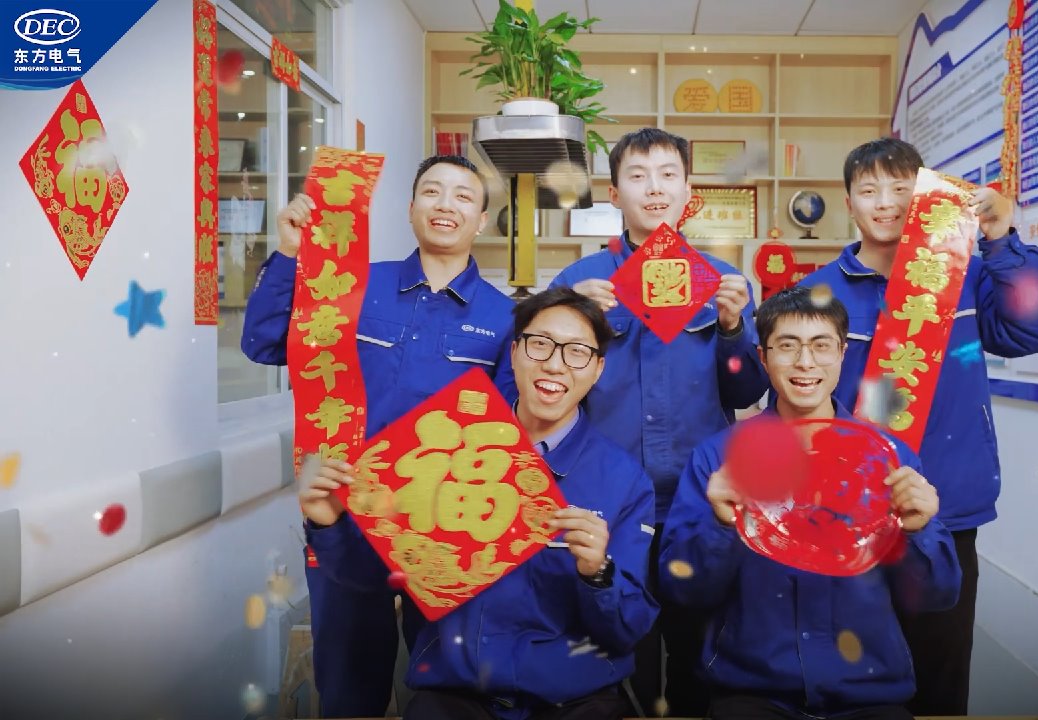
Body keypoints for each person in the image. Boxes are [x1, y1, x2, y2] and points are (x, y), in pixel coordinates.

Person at [798, 137, 1038, 715]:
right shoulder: (818, 292)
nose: (886, 202)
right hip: (846, 511)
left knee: (939, 676)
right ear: (849, 203)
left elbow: (1037, 329)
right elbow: (794, 395)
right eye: (869, 190)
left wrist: (1002, 239)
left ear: (922, 196)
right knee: (845, 672)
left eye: (901, 188)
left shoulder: (965, 275)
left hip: (944, 510)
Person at [299, 287, 659, 720]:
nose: (555, 364)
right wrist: (329, 526)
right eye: (540, 344)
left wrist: (598, 574)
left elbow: (628, 629)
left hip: (577, 700)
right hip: (457, 694)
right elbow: (375, 580)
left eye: (577, 352)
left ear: (598, 369)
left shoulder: (625, 480)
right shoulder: (442, 447)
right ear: (514, 353)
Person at [242, 155, 516, 718]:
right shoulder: (352, 283)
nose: (446, 205)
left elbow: (512, 428)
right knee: (348, 692)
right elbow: (264, 344)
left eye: (463, 196)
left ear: (482, 220)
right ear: (410, 208)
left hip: (443, 529)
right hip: (345, 521)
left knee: (447, 695)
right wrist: (291, 254)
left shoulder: (505, 318)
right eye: (432, 192)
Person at [659, 286, 961, 720]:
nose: (805, 362)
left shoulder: (889, 458)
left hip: (869, 693)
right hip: (752, 693)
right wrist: (721, 524)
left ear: (841, 354)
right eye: (787, 346)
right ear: (763, 358)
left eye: (821, 346)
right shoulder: (717, 458)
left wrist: (919, 532)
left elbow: (937, 595)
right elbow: (684, 590)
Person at [550, 127, 770, 715]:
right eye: (638, 176)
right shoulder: (578, 282)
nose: (654, 188)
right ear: (613, 192)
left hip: (698, 502)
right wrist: (572, 316)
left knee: (700, 653)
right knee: (619, 655)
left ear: (687, 191)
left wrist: (733, 329)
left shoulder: (721, 280)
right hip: (607, 502)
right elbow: (543, 391)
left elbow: (747, 389)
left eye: (669, 175)